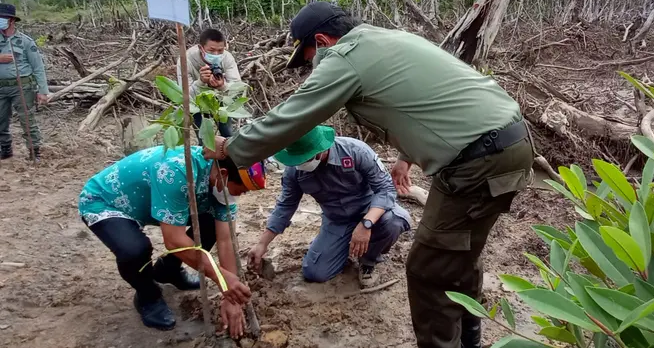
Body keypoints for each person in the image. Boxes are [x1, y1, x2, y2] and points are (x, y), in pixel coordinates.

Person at [205, 1, 534, 348]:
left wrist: (230, 149)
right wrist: (407, 157)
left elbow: (293, 116)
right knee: (458, 257)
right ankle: (471, 342)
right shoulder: (390, 40)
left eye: (309, 57)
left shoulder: (345, 56)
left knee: (428, 270)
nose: (312, 66)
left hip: (478, 160)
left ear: (323, 40)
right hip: (510, 143)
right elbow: (434, 99)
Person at [79, 144, 267, 337]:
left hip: (156, 201)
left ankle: (168, 271)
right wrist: (221, 277)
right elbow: (174, 241)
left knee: (211, 223)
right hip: (107, 201)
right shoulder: (177, 171)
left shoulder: (221, 187)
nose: (241, 195)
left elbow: (226, 240)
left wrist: (231, 296)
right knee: (134, 250)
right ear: (223, 174)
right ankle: (147, 296)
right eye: (241, 190)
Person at [248, 125, 411, 288]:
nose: (299, 164)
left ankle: (369, 261)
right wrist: (262, 244)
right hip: (337, 221)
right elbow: (285, 206)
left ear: (320, 151)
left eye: (304, 159)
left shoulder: (355, 151)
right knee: (315, 273)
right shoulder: (294, 171)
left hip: (371, 212)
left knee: (393, 222)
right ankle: (341, 246)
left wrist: (366, 224)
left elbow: (386, 190)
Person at [0, 3, 49, 162]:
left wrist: (43, 90)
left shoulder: (25, 41)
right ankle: (5, 149)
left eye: (3, 18)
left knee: (27, 119)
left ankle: (34, 151)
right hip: (1, 87)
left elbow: (38, 67)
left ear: (12, 20)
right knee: (1, 120)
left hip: (22, 86)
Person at [177, 28, 242, 138]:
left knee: (228, 135)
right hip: (196, 102)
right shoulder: (185, 60)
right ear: (200, 48)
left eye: (220, 50)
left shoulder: (227, 58)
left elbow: (238, 88)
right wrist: (201, 82)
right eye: (211, 51)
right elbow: (185, 97)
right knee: (204, 139)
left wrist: (223, 86)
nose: (216, 54)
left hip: (219, 98)